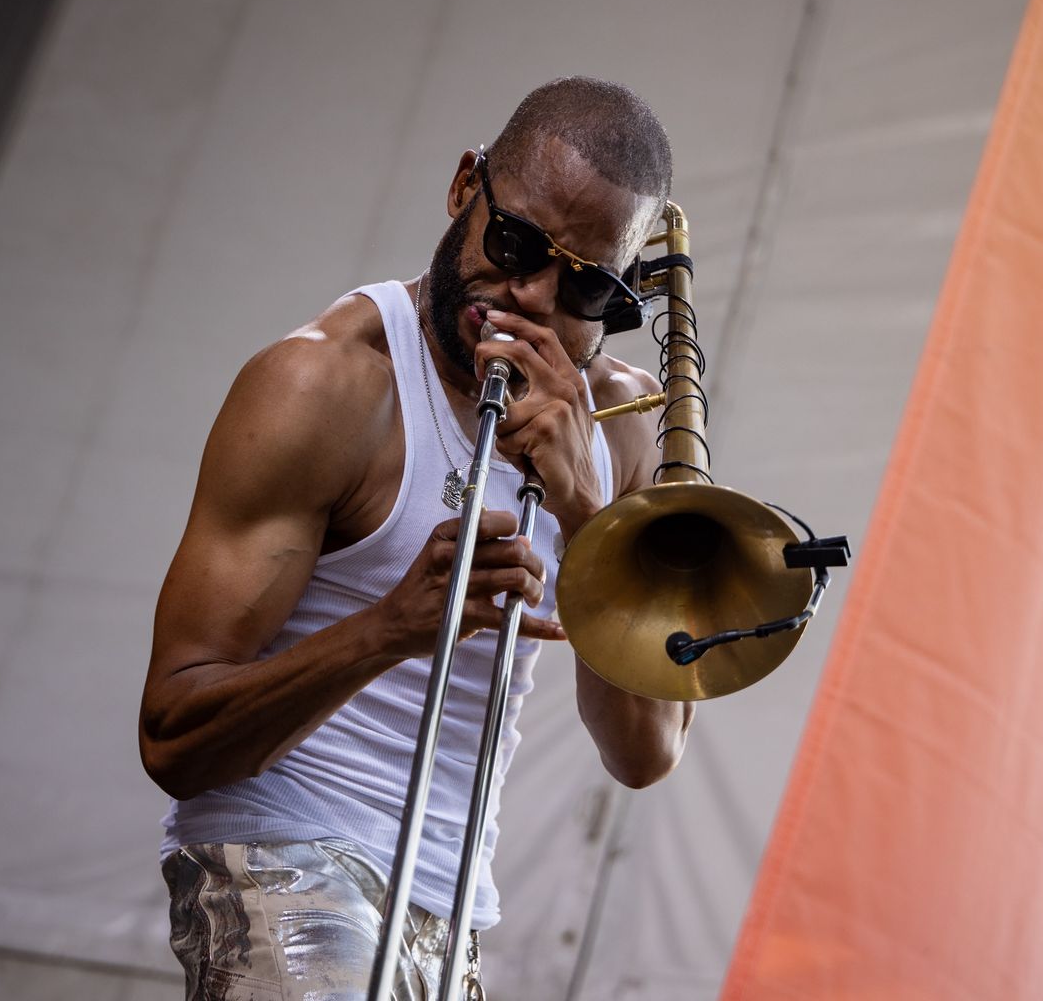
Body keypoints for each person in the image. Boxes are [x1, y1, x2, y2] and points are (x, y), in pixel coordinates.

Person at [137, 77, 692, 1000]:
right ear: (463, 186)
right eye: (515, 243)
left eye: (586, 286)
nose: (532, 296)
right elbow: (173, 739)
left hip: (454, 904)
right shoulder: (325, 386)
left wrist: (586, 516)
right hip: (280, 854)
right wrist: (392, 626)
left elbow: (646, 753)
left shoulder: (624, 427)